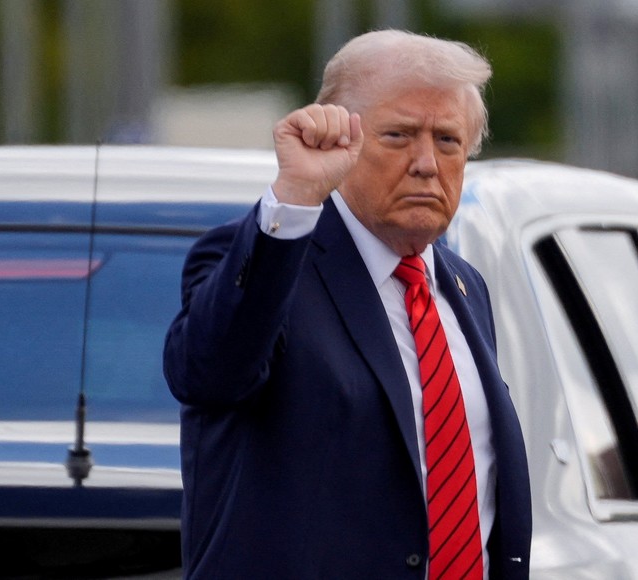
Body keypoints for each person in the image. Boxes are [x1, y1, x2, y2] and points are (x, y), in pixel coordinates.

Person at [163, 29, 532, 579]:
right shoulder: (272, 263)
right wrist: (294, 198)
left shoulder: (463, 288)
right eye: (399, 135)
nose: (427, 163)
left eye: (448, 140)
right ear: (341, 140)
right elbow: (207, 372)